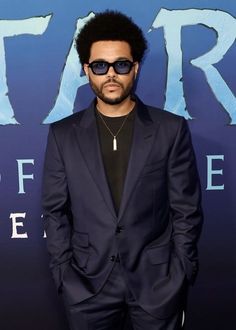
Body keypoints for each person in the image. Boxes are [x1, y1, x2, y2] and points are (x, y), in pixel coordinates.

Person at [42, 10, 203, 330]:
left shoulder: (170, 129)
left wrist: (181, 272)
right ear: (87, 70)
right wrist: (64, 273)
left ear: (136, 67)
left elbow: (187, 210)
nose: (111, 74)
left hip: (157, 284)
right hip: (87, 287)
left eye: (121, 65)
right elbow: (54, 211)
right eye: (100, 66)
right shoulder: (62, 134)